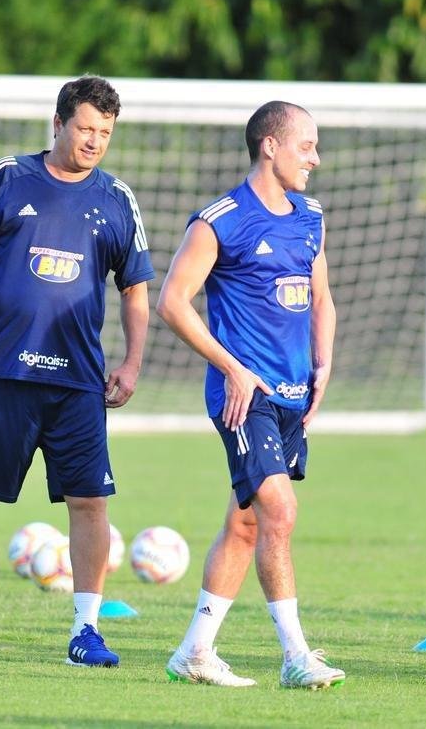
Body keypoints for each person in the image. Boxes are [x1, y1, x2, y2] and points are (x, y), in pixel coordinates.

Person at [0, 75, 154, 665]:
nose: (94, 141)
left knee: (90, 503)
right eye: (85, 128)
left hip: (78, 381)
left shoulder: (116, 199)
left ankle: (85, 631)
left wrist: (130, 362)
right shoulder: (5, 178)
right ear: (58, 124)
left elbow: (134, 290)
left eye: (105, 132)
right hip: (1, 372)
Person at [156, 101, 345, 689]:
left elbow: (321, 297)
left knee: (245, 525)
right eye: (306, 145)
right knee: (280, 513)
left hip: (292, 396)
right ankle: (296, 656)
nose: (314, 157)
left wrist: (323, 363)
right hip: (244, 398)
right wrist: (232, 369)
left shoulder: (310, 215)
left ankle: (194, 651)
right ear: (271, 146)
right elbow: (171, 301)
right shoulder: (221, 219)